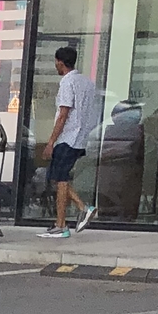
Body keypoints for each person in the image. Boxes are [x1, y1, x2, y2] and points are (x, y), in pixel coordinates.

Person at [42, 44, 96, 238]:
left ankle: (62, 224)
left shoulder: (67, 83)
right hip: (81, 137)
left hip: (68, 137)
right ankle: (78, 212)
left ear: (60, 62)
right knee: (60, 178)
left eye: (56, 62)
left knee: (61, 179)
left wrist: (50, 142)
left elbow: (63, 114)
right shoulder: (87, 82)